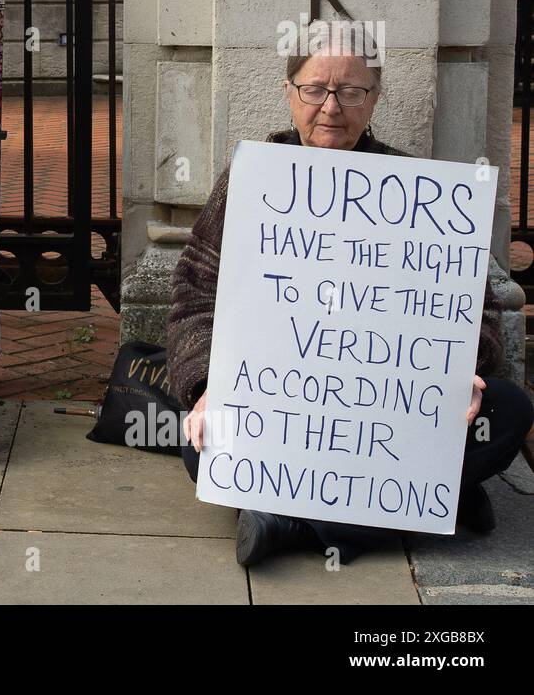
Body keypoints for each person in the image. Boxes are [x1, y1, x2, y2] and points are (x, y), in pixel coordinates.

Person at [167, 32, 534, 565]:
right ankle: (438, 503)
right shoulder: (249, 180)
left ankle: (290, 524)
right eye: (315, 89)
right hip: (279, 404)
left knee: (510, 408)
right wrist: (206, 385)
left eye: (351, 92)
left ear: (374, 99)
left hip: (392, 412)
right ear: (290, 93)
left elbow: (475, 310)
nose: (332, 107)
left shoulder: (417, 192)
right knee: (203, 449)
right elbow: (193, 294)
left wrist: (463, 371)